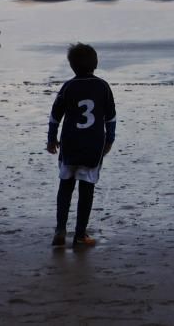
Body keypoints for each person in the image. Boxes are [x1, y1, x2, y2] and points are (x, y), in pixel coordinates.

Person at [46, 43, 117, 247]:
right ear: (95, 64)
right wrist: (110, 139)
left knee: (65, 185)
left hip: (69, 143)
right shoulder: (102, 86)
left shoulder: (68, 86)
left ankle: (60, 230)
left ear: (71, 66)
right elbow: (110, 117)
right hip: (93, 145)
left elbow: (54, 116)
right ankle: (79, 235)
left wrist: (51, 139)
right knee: (87, 188)